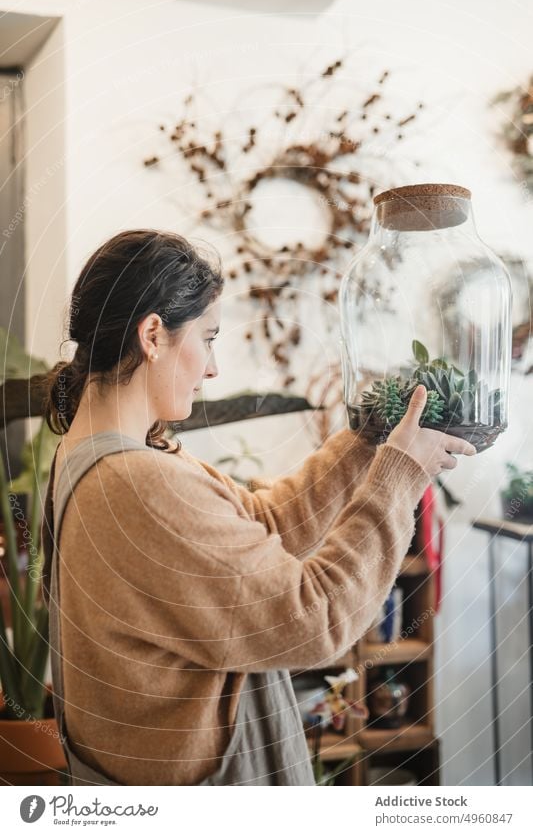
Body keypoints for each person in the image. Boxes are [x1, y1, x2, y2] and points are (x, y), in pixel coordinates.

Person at [41, 229, 476, 787]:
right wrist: (399, 477)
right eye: (209, 337)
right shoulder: (135, 484)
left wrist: (366, 440)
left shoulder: (99, 452)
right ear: (153, 334)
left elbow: (260, 524)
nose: (213, 368)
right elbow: (315, 618)